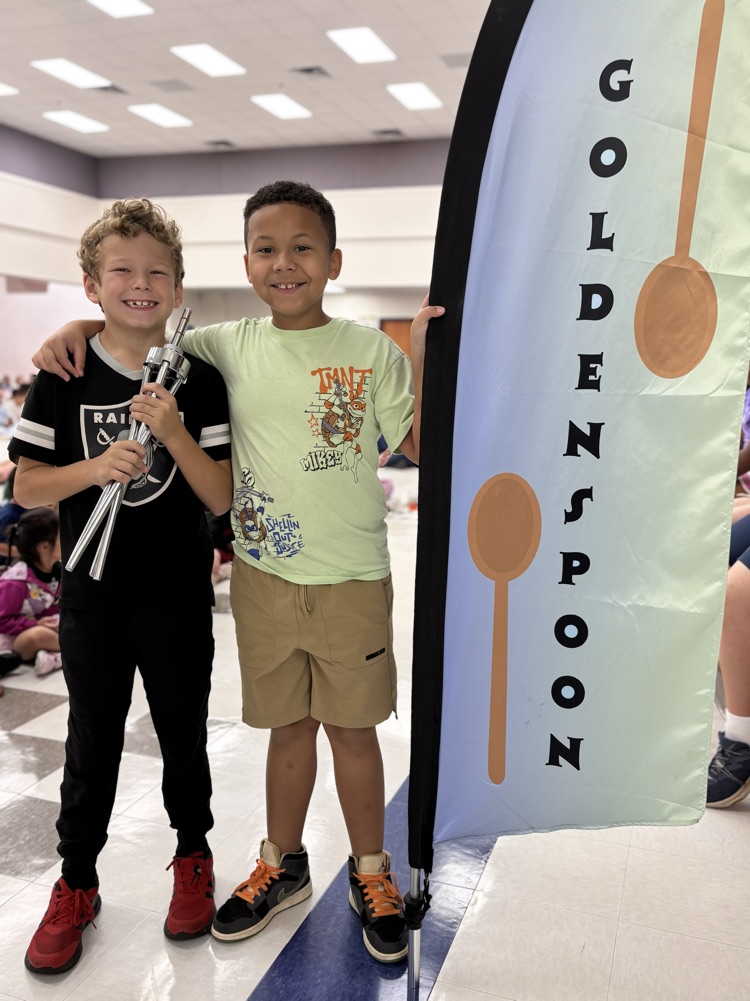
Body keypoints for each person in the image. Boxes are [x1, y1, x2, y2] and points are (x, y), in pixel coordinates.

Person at [31, 179, 442, 965]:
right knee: (288, 731)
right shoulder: (224, 345)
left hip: (352, 573)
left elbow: (416, 444)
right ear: (247, 263)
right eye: (266, 249)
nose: (284, 263)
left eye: (302, 248)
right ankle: (280, 861)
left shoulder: (371, 350)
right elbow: (136, 323)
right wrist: (79, 323)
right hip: (261, 575)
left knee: (353, 732)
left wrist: (420, 356)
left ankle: (372, 871)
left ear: (333, 260)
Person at [11, 198, 233, 975]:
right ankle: (76, 882)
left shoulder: (196, 378)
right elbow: (30, 478)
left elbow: (219, 497)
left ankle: (194, 856)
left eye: (157, 273)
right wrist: (94, 469)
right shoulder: (61, 373)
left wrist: (170, 431)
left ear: (177, 288)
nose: (141, 284)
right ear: (90, 285)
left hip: (175, 592)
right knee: (91, 741)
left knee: (183, 736)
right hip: (93, 597)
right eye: (122, 271)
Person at [0, 505, 62, 676]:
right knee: (38, 635)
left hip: (53, 629)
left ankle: (54, 656)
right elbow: (2, 621)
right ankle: (66, 652)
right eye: (61, 536)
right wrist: (35, 624)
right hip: (17, 640)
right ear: (44, 547)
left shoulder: (60, 572)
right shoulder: (15, 581)